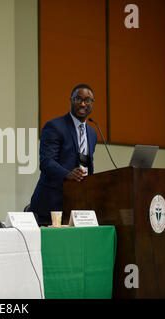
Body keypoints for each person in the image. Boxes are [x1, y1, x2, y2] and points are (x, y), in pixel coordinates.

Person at [30, 84, 98, 226]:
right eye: (78, 99)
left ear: (92, 104)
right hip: (51, 205)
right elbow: (47, 162)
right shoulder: (54, 126)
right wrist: (68, 174)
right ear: (71, 100)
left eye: (87, 100)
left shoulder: (92, 133)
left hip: (77, 206)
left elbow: (86, 165)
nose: (83, 104)